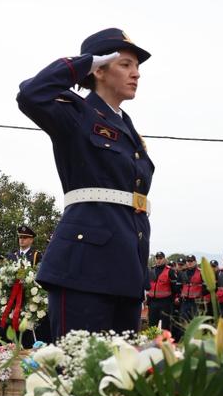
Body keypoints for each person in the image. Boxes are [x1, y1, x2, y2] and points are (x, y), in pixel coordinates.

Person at [17, 28, 155, 335]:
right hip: (83, 266)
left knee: (121, 376)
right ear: (100, 70)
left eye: (137, 67)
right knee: (77, 373)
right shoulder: (76, 112)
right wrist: (84, 62)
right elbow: (30, 94)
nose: (136, 74)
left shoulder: (129, 130)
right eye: (125, 64)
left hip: (126, 266)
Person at [147, 251, 177, 332]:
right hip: (153, 302)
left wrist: (171, 300)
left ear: (164, 259)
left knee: (165, 326)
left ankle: (165, 343)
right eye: (157, 258)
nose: (158, 260)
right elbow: (149, 286)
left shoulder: (169, 271)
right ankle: (151, 343)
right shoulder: (151, 270)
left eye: (160, 258)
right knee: (152, 325)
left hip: (165, 302)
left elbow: (174, 288)